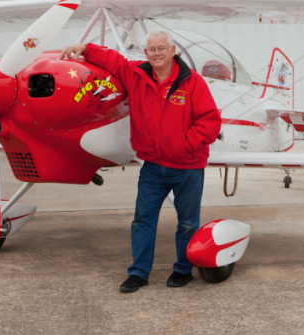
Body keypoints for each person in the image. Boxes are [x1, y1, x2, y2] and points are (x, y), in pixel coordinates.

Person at [60, 30, 221, 293]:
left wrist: (184, 145)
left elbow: (210, 122)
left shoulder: (192, 82)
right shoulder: (136, 74)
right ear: (145, 53)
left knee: (188, 222)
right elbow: (113, 60)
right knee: (142, 220)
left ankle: (183, 270)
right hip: (153, 167)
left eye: (161, 48)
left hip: (187, 167)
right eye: (151, 49)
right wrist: (85, 49)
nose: (156, 53)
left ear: (172, 51)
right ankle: (138, 273)